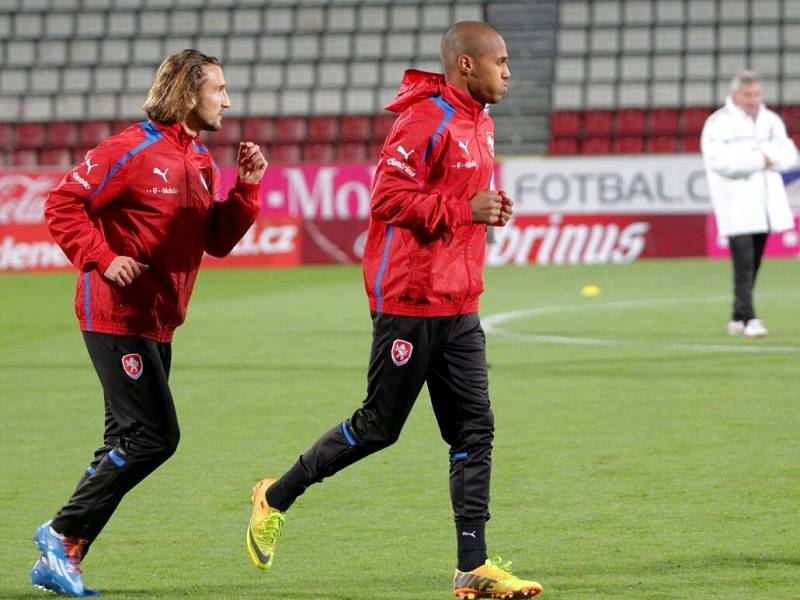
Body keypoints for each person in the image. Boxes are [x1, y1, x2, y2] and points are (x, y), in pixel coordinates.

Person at [246, 22, 543, 599]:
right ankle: (274, 496)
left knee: (473, 430)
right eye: (500, 61)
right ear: (465, 64)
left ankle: (472, 568)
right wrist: (465, 208)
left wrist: (486, 209)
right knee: (379, 427)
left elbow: (458, 202)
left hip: (459, 301)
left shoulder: (480, 121)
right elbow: (385, 198)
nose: (509, 71)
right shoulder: (424, 118)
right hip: (408, 299)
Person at [32, 49, 267, 596]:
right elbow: (63, 202)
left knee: (124, 437)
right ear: (188, 93)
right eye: (219, 89)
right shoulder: (129, 149)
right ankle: (61, 530)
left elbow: (216, 241)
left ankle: (64, 557)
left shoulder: (201, 160)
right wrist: (102, 256)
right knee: (155, 437)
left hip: (158, 320)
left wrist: (248, 189)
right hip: (115, 314)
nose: (227, 100)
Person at [701, 70, 798, 338]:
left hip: (766, 204)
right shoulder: (718, 124)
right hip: (736, 204)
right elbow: (721, 163)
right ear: (736, 94)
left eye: (756, 94)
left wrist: (770, 160)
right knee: (743, 262)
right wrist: (761, 161)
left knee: (753, 262)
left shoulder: (770, 120)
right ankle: (751, 318)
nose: (753, 99)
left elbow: (789, 154)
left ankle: (737, 316)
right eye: (748, 95)